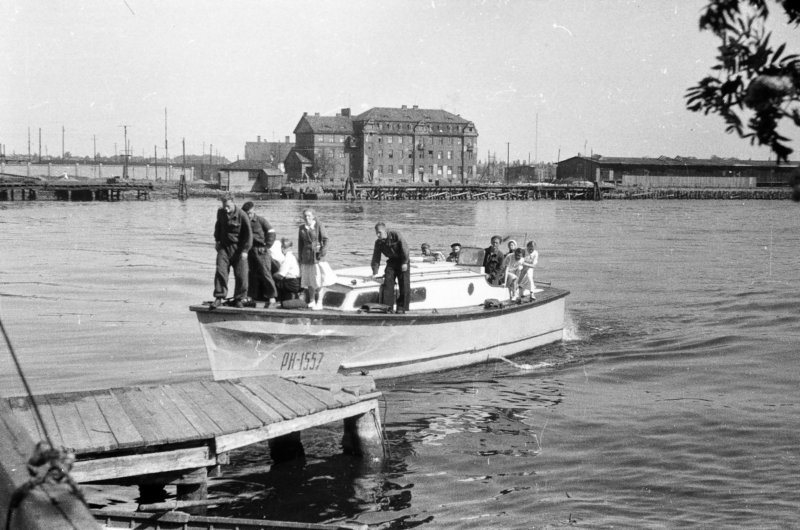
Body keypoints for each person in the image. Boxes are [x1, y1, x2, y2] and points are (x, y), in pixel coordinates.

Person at [213, 195, 252, 308]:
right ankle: (219, 297)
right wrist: (217, 241)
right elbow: (218, 226)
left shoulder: (242, 215)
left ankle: (239, 298)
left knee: (241, 275)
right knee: (220, 271)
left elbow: (248, 235)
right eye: (224, 206)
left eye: (228, 206)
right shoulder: (220, 212)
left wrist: (245, 251)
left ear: (233, 203)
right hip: (224, 248)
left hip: (239, 249)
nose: (226, 209)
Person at [242, 201, 277, 308]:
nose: (249, 215)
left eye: (250, 213)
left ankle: (272, 296)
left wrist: (267, 246)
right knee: (251, 274)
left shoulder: (261, 220)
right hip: (249, 250)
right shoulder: (243, 221)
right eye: (246, 213)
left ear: (253, 210)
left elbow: (271, 232)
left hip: (261, 250)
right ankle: (252, 295)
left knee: (265, 272)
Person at [371, 222, 411, 313]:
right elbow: (376, 257)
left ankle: (402, 307)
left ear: (385, 231)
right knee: (388, 283)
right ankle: (388, 307)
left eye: (379, 232)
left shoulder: (395, 235)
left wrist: (405, 262)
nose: (378, 235)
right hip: (392, 261)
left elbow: (405, 248)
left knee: (404, 284)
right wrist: (374, 272)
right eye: (376, 233)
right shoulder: (378, 243)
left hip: (402, 260)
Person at [298, 208, 329, 310]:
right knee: (309, 280)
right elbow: (300, 243)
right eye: (305, 216)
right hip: (306, 256)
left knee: (318, 280)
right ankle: (312, 301)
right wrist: (300, 257)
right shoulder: (302, 228)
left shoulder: (318, 225)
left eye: (309, 216)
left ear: (313, 216)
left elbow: (325, 239)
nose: (307, 218)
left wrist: (322, 252)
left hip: (317, 256)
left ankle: (319, 302)